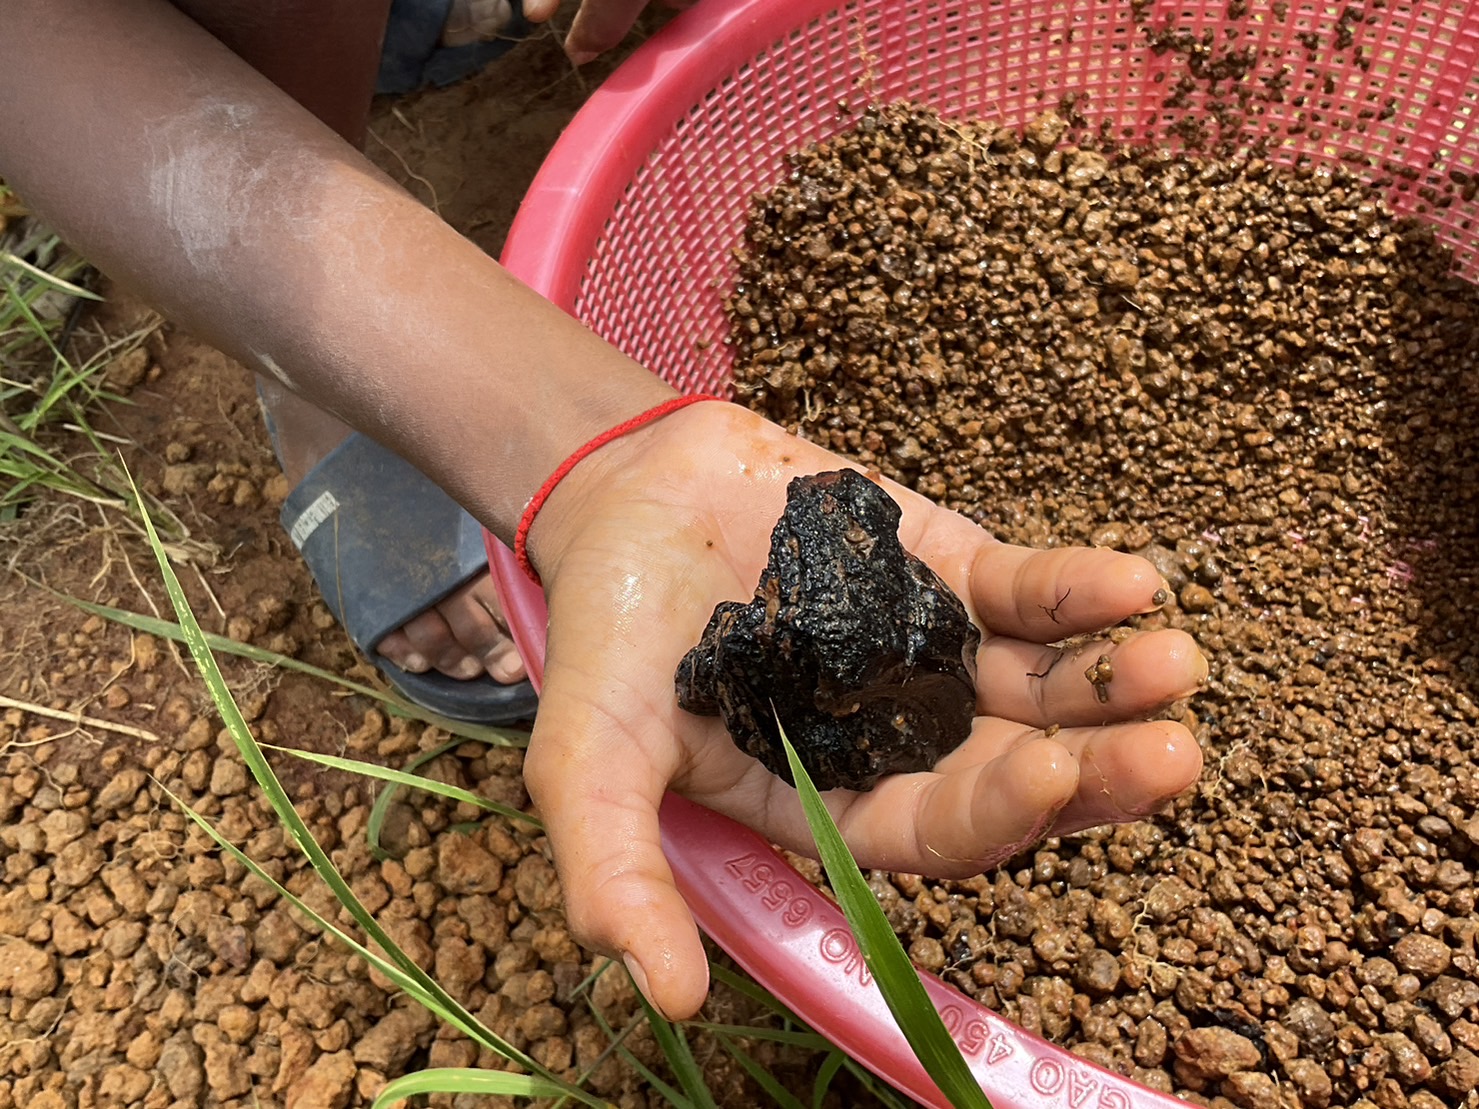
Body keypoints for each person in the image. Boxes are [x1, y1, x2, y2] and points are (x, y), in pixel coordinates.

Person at [0, 0, 1207, 1022]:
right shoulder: (777, 621)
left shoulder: (851, 607)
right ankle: (317, 373)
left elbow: (816, 634)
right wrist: (585, 455)